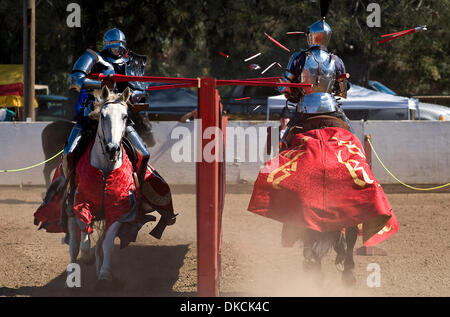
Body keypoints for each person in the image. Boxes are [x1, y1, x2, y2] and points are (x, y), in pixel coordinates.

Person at [62, 28, 150, 189]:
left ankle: (139, 192)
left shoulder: (130, 62)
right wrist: (100, 84)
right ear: (107, 45)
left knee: (144, 154)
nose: (118, 50)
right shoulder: (93, 58)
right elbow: (76, 79)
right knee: (69, 153)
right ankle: (69, 191)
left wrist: (136, 95)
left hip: (120, 117)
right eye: (115, 46)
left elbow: (138, 88)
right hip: (92, 114)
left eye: (121, 47)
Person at [279, 18, 352, 147]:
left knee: (285, 140)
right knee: (351, 135)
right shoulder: (336, 60)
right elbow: (342, 92)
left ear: (310, 36)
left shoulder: (298, 57)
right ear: (328, 37)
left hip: (305, 108)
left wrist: (291, 92)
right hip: (330, 107)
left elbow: (285, 88)